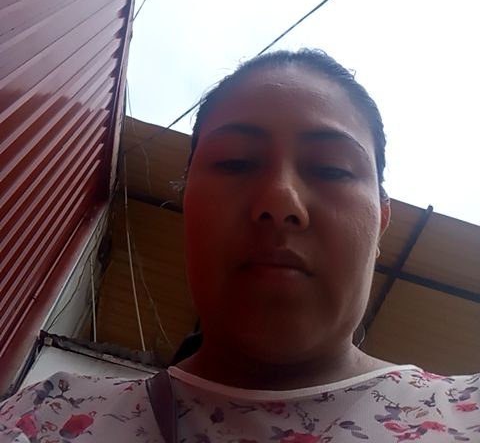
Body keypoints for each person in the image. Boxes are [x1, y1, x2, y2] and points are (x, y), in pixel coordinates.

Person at [1, 49, 479, 442]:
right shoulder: (46, 420)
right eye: (234, 162)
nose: (280, 200)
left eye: (331, 168)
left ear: (381, 224)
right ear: (186, 205)